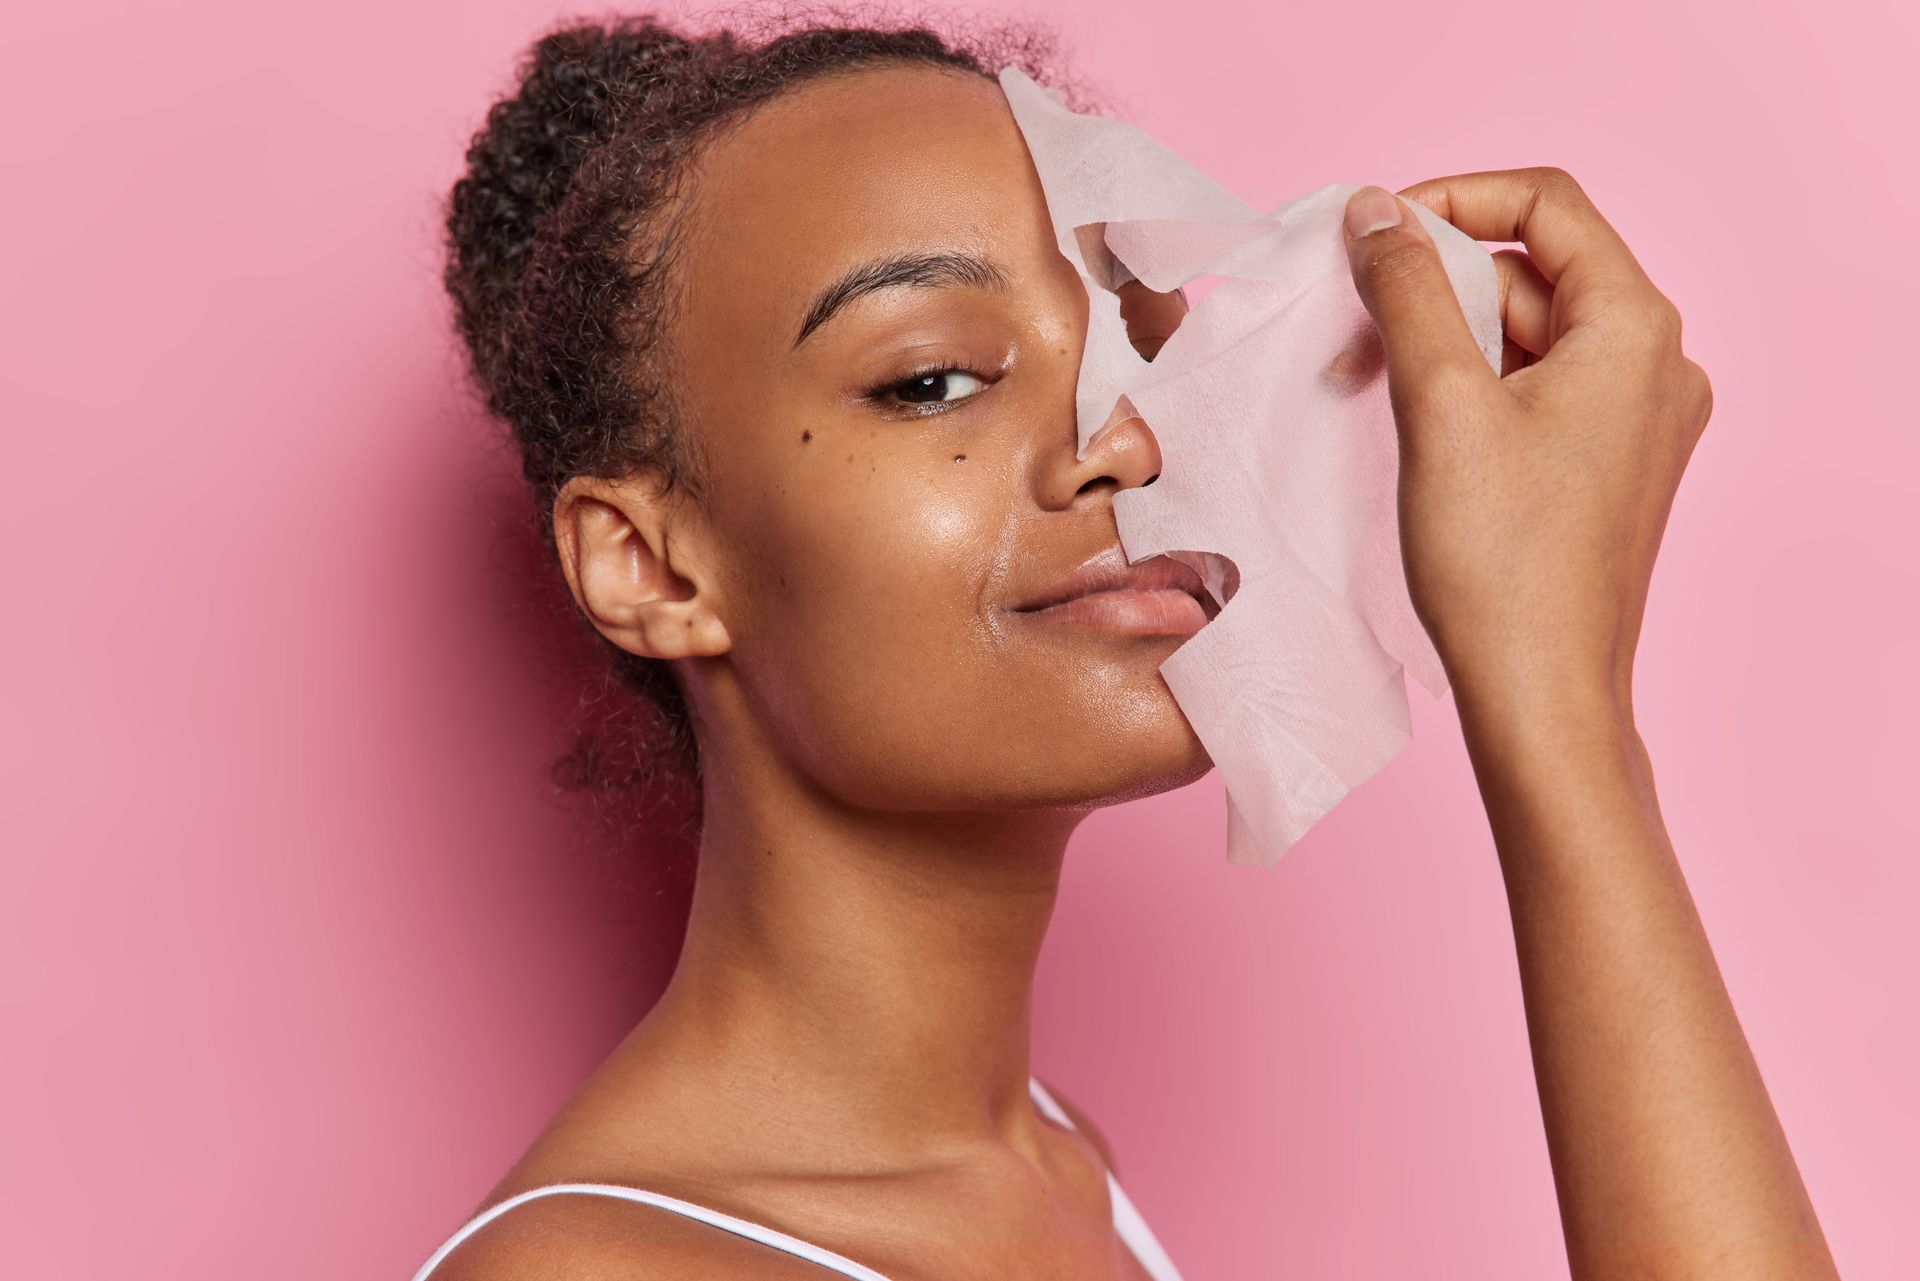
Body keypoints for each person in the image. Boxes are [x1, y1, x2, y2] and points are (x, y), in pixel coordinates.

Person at [416, 10, 1839, 1279]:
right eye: (934, 379)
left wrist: (1555, 695)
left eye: (1140, 344)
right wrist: (1561, 726)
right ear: (651, 563)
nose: (1132, 434)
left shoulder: (1047, 1170)